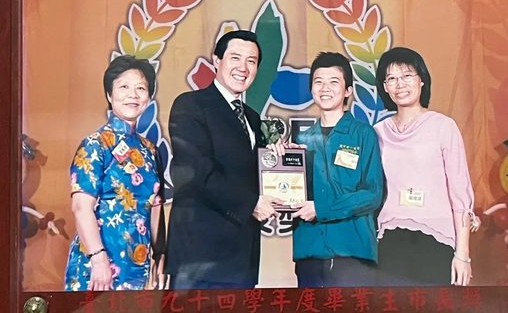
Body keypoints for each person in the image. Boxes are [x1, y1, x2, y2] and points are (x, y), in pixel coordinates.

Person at [166, 29, 278, 289]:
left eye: (251, 61)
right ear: (216, 60)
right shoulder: (191, 105)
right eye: (235, 58)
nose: (243, 67)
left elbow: (254, 173)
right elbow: (196, 171)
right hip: (200, 257)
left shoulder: (252, 117)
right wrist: (251, 203)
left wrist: (282, 160)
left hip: (243, 256)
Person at [278, 52, 383, 287]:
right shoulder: (301, 141)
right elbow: (291, 196)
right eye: (318, 82)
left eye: (334, 82)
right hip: (310, 252)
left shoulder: (363, 134)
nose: (325, 88)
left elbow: (372, 194)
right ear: (311, 89)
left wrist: (321, 208)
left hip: (353, 252)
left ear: (348, 91)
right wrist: (282, 163)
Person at [374, 46, 477, 286]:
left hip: (436, 239)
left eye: (407, 75)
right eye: (392, 79)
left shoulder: (443, 127)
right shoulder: (378, 132)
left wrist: (463, 255)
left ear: (421, 80)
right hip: (390, 240)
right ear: (385, 87)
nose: (400, 84)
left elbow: (460, 194)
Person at [65, 55, 166, 291]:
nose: (133, 95)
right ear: (109, 95)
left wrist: (160, 256)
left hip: (138, 266)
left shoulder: (150, 150)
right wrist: (98, 258)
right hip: (98, 266)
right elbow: (81, 207)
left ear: (149, 98)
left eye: (141, 88)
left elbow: (155, 207)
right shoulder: (95, 144)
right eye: (124, 87)